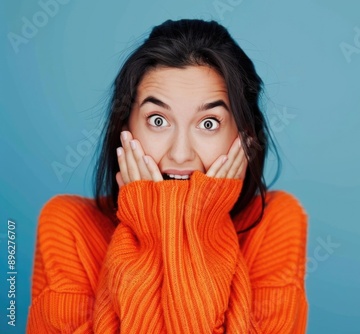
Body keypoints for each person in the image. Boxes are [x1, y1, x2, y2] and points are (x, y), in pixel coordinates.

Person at [27, 19, 308, 333]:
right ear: (125, 127)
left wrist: (201, 223)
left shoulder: (275, 223)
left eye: (209, 123)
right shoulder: (69, 226)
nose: (180, 154)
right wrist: (152, 228)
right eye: (158, 120)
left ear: (245, 137)